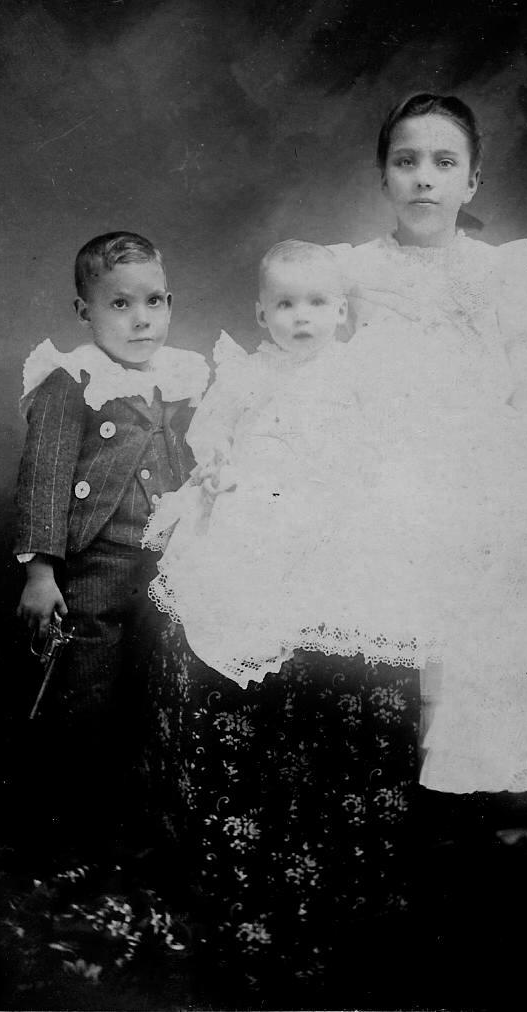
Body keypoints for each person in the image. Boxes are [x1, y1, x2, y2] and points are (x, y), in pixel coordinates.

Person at [141, 240, 420, 1003]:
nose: (303, 318)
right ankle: (241, 884)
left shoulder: (357, 373)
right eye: (286, 305)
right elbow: (212, 433)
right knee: (237, 625)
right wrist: (216, 464)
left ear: (342, 311)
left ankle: (350, 883)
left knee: (347, 665)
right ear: (261, 313)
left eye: (318, 304)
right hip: (258, 521)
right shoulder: (246, 372)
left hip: (335, 523)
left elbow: (385, 447)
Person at [327, 92, 527, 801]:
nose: (424, 177)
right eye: (406, 161)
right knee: (397, 661)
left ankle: (461, 822)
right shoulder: (350, 273)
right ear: (383, 177)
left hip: (487, 494)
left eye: (444, 163)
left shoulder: (501, 274)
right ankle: (394, 818)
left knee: (477, 663)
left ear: (472, 182)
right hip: (390, 487)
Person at [13, 230, 209, 854]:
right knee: (89, 691)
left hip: (167, 565)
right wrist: (41, 572)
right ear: (85, 311)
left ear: (169, 304)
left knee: (157, 687)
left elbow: (194, 461)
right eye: (119, 304)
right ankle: (80, 826)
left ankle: (145, 817)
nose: (140, 319)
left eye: (153, 301)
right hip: (96, 564)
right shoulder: (71, 380)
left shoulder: (181, 377)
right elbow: (44, 478)